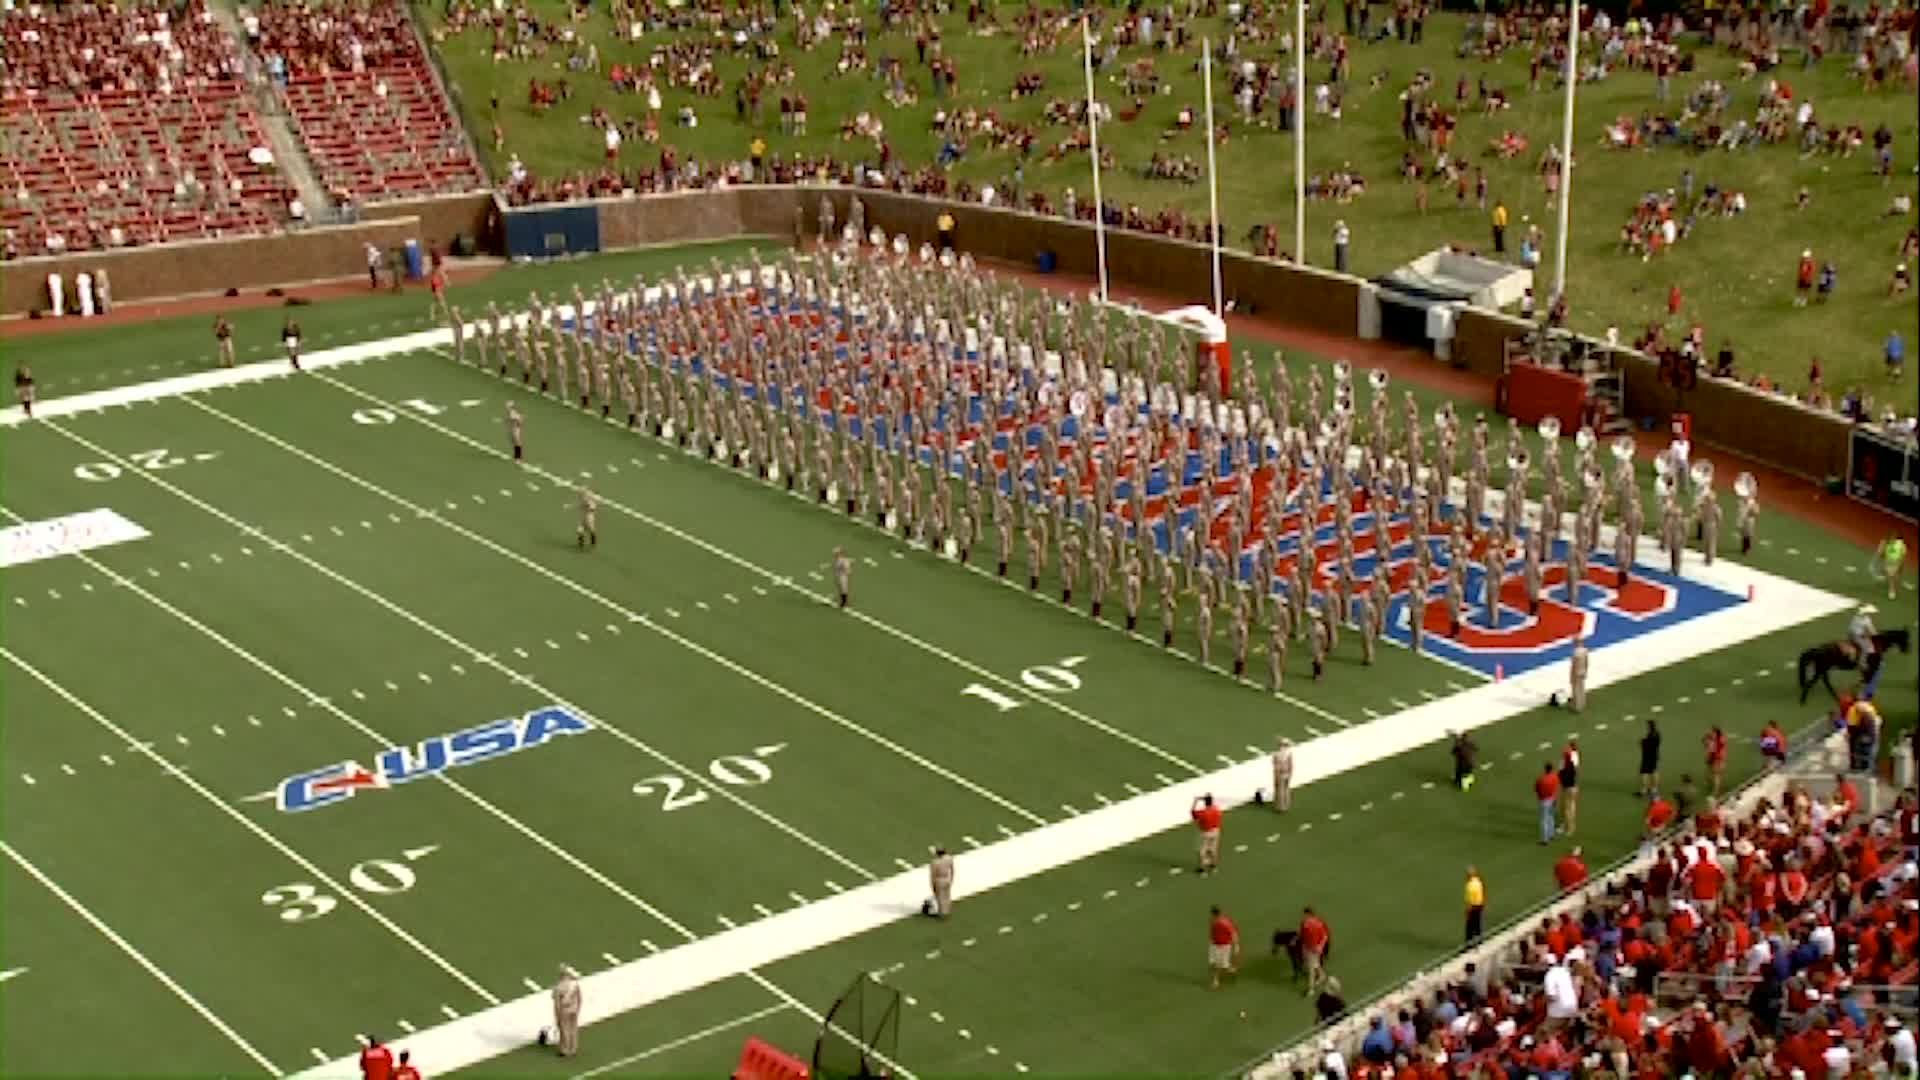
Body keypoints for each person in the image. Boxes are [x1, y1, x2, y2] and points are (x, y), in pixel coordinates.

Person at [1207, 905, 1240, 989]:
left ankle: (1216, 981)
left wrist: (1236, 945)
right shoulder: (1213, 921)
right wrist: (1211, 940)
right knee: (1213, 963)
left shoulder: (1225, 923)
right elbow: (1213, 932)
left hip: (1223, 946)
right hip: (1214, 945)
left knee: (1218, 964)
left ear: (1213, 914)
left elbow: (1233, 933)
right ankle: (1230, 968)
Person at [551, 966, 582, 1057]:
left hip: (564, 1010)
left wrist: (557, 1015)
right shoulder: (574, 985)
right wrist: (578, 1008)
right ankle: (573, 1048)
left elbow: (557, 1003)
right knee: (573, 1028)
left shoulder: (558, 988)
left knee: (564, 1030)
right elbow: (580, 998)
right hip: (574, 1009)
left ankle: (565, 1049)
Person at [1191, 793, 1223, 875]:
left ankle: (1203, 870)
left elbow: (1193, 813)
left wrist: (1195, 801)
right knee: (1213, 849)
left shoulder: (1203, 812)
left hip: (1206, 832)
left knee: (1202, 851)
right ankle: (1214, 867)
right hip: (1216, 831)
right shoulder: (1216, 809)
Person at [1557, 738, 1581, 837]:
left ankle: (1569, 827)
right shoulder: (1574, 761)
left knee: (1566, 808)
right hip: (1573, 786)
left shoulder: (1566, 764)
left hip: (1567, 787)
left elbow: (1560, 774)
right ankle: (1567, 826)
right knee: (1570, 807)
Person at [1533, 762, 1560, 845]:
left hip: (1544, 800)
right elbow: (1556, 788)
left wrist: (1539, 797)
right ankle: (1551, 834)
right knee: (1551, 817)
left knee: (1544, 820)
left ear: (1545, 769)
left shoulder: (1541, 779)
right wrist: (1555, 799)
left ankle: (1545, 839)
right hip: (1553, 799)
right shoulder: (1555, 777)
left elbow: (1536, 789)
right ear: (1551, 769)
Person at [1872, 536, 1906, 600]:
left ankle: (1892, 589)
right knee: (1891, 576)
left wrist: (1900, 563)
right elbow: (1883, 554)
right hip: (1890, 562)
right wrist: (1881, 549)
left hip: (1896, 562)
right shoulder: (1887, 544)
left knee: (1893, 575)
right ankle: (1892, 590)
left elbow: (1902, 556)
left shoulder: (1900, 546)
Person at [928, 847, 955, 918]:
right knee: (947, 895)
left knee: (940, 897)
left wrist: (932, 884)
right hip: (947, 878)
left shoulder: (935, 862)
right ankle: (947, 910)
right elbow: (952, 870)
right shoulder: (949, 858)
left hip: (939, 880)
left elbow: (933, 875)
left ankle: (942, 913)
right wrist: (951, 878)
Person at [1702, 726, 1728, 799]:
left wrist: (1721, 760)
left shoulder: (1720, 741)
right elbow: (1705, 743)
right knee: (1709, 771)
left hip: (1717, 759)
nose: (1711, 733)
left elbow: (1721, 750)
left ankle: (1716, 791)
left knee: (1717, 775)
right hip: (1712, 757)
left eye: (1713, 732)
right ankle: (1711, 783)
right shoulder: (1714, 738)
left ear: (1716, 733)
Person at [1638, 718, 1662, 798]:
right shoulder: (1658, 734)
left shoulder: (1650, 735)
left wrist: (1642, 741)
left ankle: (1644, 790)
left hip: (1647, 757)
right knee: (1654, 771)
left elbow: (1645, 745)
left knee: (1644, 773)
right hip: (1655, 755)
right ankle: (1654, 789)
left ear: (1649, 726)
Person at [1463, 865, 1487, 944]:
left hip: (1473, 906)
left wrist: (1467, 910)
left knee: (1469, 925)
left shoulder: (1470, 885)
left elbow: (1470, 900)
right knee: (1478, 924)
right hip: (1480, 905)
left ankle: (1469, 943)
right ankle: (1480, 940)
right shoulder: (1478, 882)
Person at [1271, 736, 1294, 812]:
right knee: (1286, 789)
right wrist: (1290, 773)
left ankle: (1280, 806)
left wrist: (1276, 775)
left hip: (1280, 773)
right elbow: (1291, 764)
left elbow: (1276, 766)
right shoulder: (1289, 753)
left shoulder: (1276, 754)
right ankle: (1286, 804)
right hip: (1287, 772)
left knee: (1280, 790)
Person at [1567, 635, 1589, 713]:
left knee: (1576, 689)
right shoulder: (1585, 650)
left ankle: (1577, 706)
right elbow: (1587, 662)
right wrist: (1586, 670)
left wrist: (1572, 674)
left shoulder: (1576, 652)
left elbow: (1574, 664)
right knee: (1582, 688)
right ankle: (1582, 703)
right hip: (1583, 670)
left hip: (1577, 672)